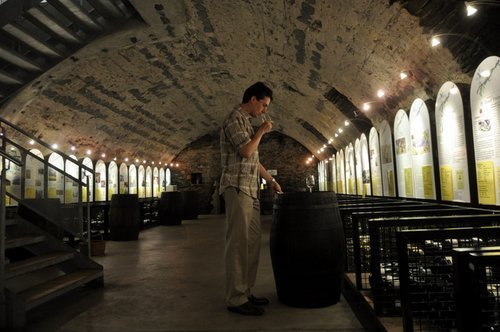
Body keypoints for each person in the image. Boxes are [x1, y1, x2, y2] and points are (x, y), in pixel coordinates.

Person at [219, 81, 282, 316]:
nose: (264, 110)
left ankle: (245, 291)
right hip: (236, 188)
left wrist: (271, 181)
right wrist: (262, 131)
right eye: (263, 105)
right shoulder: (234, 118)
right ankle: (235, 298)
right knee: (238, 244)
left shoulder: (246, 122)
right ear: (253, 99)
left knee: (252, 243)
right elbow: (245, 151)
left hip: (250, 189)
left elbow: (253, 160)